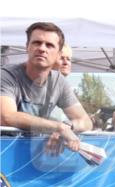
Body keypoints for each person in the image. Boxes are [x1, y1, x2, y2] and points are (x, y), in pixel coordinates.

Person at [0, 21, 92, 154]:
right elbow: (7, 117)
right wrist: (58, 127)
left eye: (49, 45)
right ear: (27, 47)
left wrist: (68, 126)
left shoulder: (58, 81)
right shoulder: (6, 75)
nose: (42, 48)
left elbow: (86, 121)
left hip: (29, 157)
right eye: (37, 42)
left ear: (59, 54)